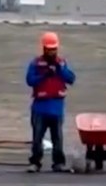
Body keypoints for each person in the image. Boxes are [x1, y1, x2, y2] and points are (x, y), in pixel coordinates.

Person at [25, 31, 76, 172]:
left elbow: (71, 79)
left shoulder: (62, 63)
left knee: (57, 138)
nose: (52, 52)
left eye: (54, 49)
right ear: (44, 49)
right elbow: (30, 81)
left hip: (56, 107)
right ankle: (35, 162)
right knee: (37, 138)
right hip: (40, 107)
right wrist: (44, 75)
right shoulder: (35, 64)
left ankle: (58, 163)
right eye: (49, 49)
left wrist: (60, 70)